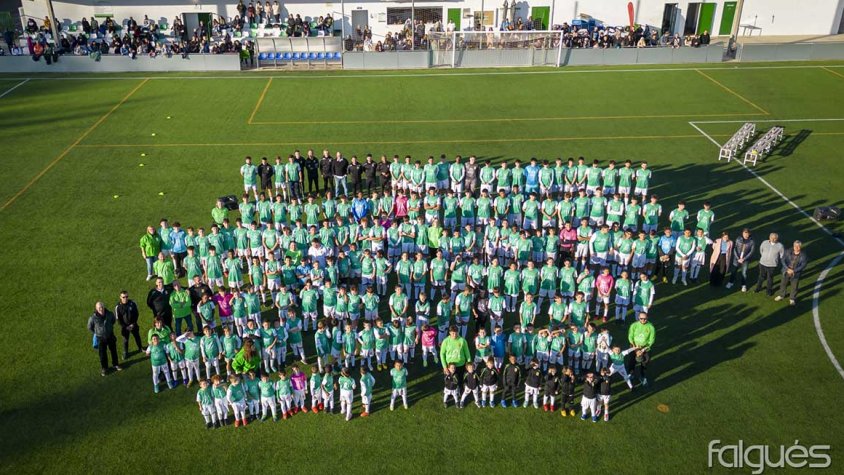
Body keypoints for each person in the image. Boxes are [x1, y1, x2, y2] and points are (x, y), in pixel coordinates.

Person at [87, 301, 122, 376]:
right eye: (99, 308)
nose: (101, 309)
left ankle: (116, 364)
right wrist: (96, 332)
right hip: (100, 338)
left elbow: (113, 321)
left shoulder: (109, 314)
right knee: (102, 354)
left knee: (113, 351)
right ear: (96, 309)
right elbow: (90, 327)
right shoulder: (93, 318)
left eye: (102, 307)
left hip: (110, 335)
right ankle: (104, 368)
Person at [775, 241, 808, 306]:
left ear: (800, 247)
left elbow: (803, 265)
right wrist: (787, 268)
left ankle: (792, 298)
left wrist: (794, 271)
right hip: (786, 271)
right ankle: (781, 295)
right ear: (793, 246)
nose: (796, 247)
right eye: (795, 246)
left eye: (798, 246)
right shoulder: (788, 251)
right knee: (783, 284)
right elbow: (783, 260)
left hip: (795, 273)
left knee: (794, 286)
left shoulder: (803, 255)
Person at [628, 312, 655, 386]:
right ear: (638, 318)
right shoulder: (634, 325)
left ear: (647, 318)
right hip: (634, 346)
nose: (643, 320)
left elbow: (651, 340)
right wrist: (635, 349)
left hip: (645, 348)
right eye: (641, 318)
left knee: (645, 363)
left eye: (645, 318)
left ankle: (642, 377)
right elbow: (630, 337)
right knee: (632, 361)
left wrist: (643, 349)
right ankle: (631, 374)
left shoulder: (651, 327)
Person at [115, 290, 143, 359]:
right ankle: (125, 352)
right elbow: (118, 319)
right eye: (123, 297)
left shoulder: (132, 303)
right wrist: (125, 327)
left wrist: (133, 324)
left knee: (137, 336)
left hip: (133, 325)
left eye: (126, 297)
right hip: (125, 327)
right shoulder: (118, 307)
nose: (125, 298)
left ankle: (140, 348)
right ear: (120, 297)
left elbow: (136, 314)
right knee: (125, 340)